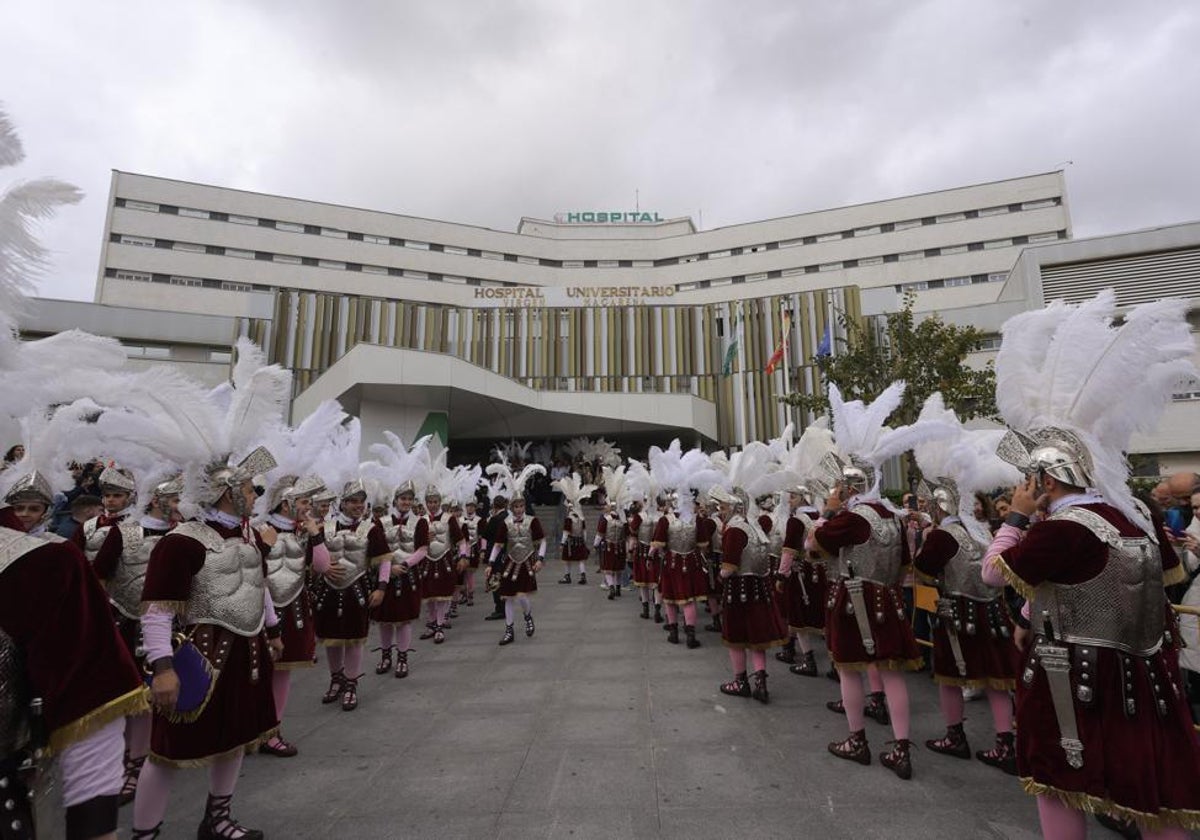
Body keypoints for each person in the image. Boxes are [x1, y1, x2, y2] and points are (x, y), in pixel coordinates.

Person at [981, 290, 1200, 839]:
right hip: (1148, 671)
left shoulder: (1061, 527)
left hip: (1073, 671)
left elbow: (994, 571)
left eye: (1031, 480)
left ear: (1047, 480)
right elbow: (1162, 578)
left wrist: (1019, 518)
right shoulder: (1136, 518)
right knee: (1153, 792)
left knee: (1058, 782)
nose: (1025, 488)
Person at [132, 455, 283, 840]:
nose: (255, 495)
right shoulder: (181, 541)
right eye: (249, 489)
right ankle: (144, 834)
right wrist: (162, 667)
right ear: (228, 492)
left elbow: (259, 586)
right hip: (201, 658)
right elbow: (157, 611)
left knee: (235, 740)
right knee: (166, 753)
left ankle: (217, 819)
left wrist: (273, 628)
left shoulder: (248, 535)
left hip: (248, 654)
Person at [1, 472, 149, 840]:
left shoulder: (42, 560)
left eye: (34, 508)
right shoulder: (82, 536)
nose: (27, 514)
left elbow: (89, 699)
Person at [87, 476, 182, 804]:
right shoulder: (123, 532)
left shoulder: (181, 534)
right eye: (175, 499)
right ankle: (128, 761)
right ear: (156, 500)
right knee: (129, 697)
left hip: (169, 625)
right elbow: (97, 576)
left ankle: (142, 759)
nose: (180, 505)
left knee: (153, 697)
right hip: (124, 622)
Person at [260, 475, 330, 756]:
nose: (308, 505)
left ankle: (273, 730)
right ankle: (252, 729)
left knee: (283, 671)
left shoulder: (306, 532)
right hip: (260, 611)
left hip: (293, 608)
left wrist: (315, 532)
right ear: (286, 503)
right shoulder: (259, 530)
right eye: (303, 501)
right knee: (257, 672)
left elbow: (323, 566)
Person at [314, 480, 391, 712]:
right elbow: (313, 559)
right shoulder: (323, 526)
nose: (358, 506)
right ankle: (336, 679)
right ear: (343, 503)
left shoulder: (373, 528)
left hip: (357, 590)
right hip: (327, 589)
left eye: (361, 501)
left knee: (355, 638)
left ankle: (351, 684)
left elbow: (385, 559)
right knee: (331, 639)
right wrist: (321, 568)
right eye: (353, 501)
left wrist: (381, 588)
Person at [710, 482, 788, 704]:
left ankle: (741, 681)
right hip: (759, 588)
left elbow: (730, 566)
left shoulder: (734, 530)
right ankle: (761, 682)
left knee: (736, 638)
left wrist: (719, 578)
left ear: (735, 507)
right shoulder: (753, 526)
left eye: (724, 507)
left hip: (739, 590)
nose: (720, 512)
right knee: (757, 639)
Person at [486, 495, 545, 646]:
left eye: (521, 506)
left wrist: (540, 559)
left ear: (524, 506)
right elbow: (498, 545)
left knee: (522, 596)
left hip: (526, 564)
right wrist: (490, 563)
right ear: (511, 508)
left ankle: (527, 616)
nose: (518, 509)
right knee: (508, 597)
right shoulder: (505, 524)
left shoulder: (533, 521)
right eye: (516, 507)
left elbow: (542, 541)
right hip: (509, 564)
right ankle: (509, 630)